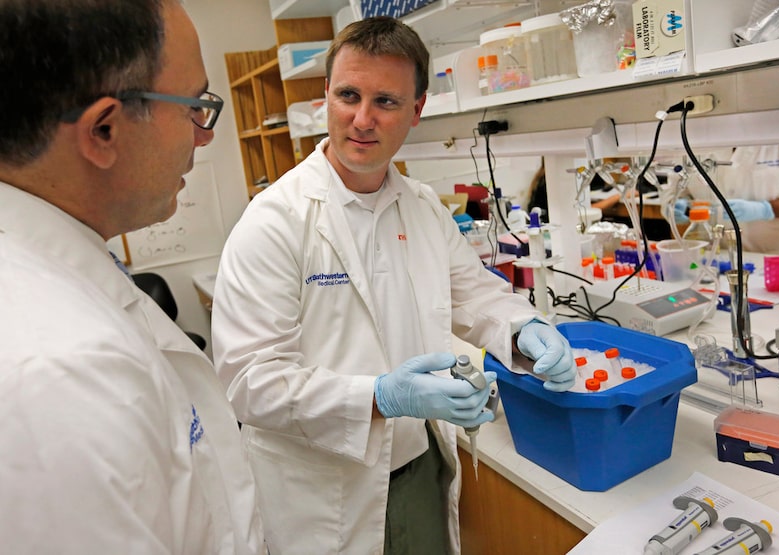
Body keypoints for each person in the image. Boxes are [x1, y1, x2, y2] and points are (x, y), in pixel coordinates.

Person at [211, 16, 577, 555]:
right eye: (348, 95)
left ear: (417, 110)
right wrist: (380, 396)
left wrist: (525, 329)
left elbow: (476, 296)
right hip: (326, 488)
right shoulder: (274, 221)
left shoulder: (423, 208)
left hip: (419, 465)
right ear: (326, 97)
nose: (362, 119)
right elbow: (249, 383)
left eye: (385, 101)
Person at [0, 1, 265, 552]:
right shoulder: (59, 376)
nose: (204, 136)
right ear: (103, 130)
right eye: (194, 107)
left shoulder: (55, 273)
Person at [675, 143, 779, 254]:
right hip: (719, 258)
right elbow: (673, 188)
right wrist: (675, 206)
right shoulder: (694, 134)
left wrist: (766, 210)